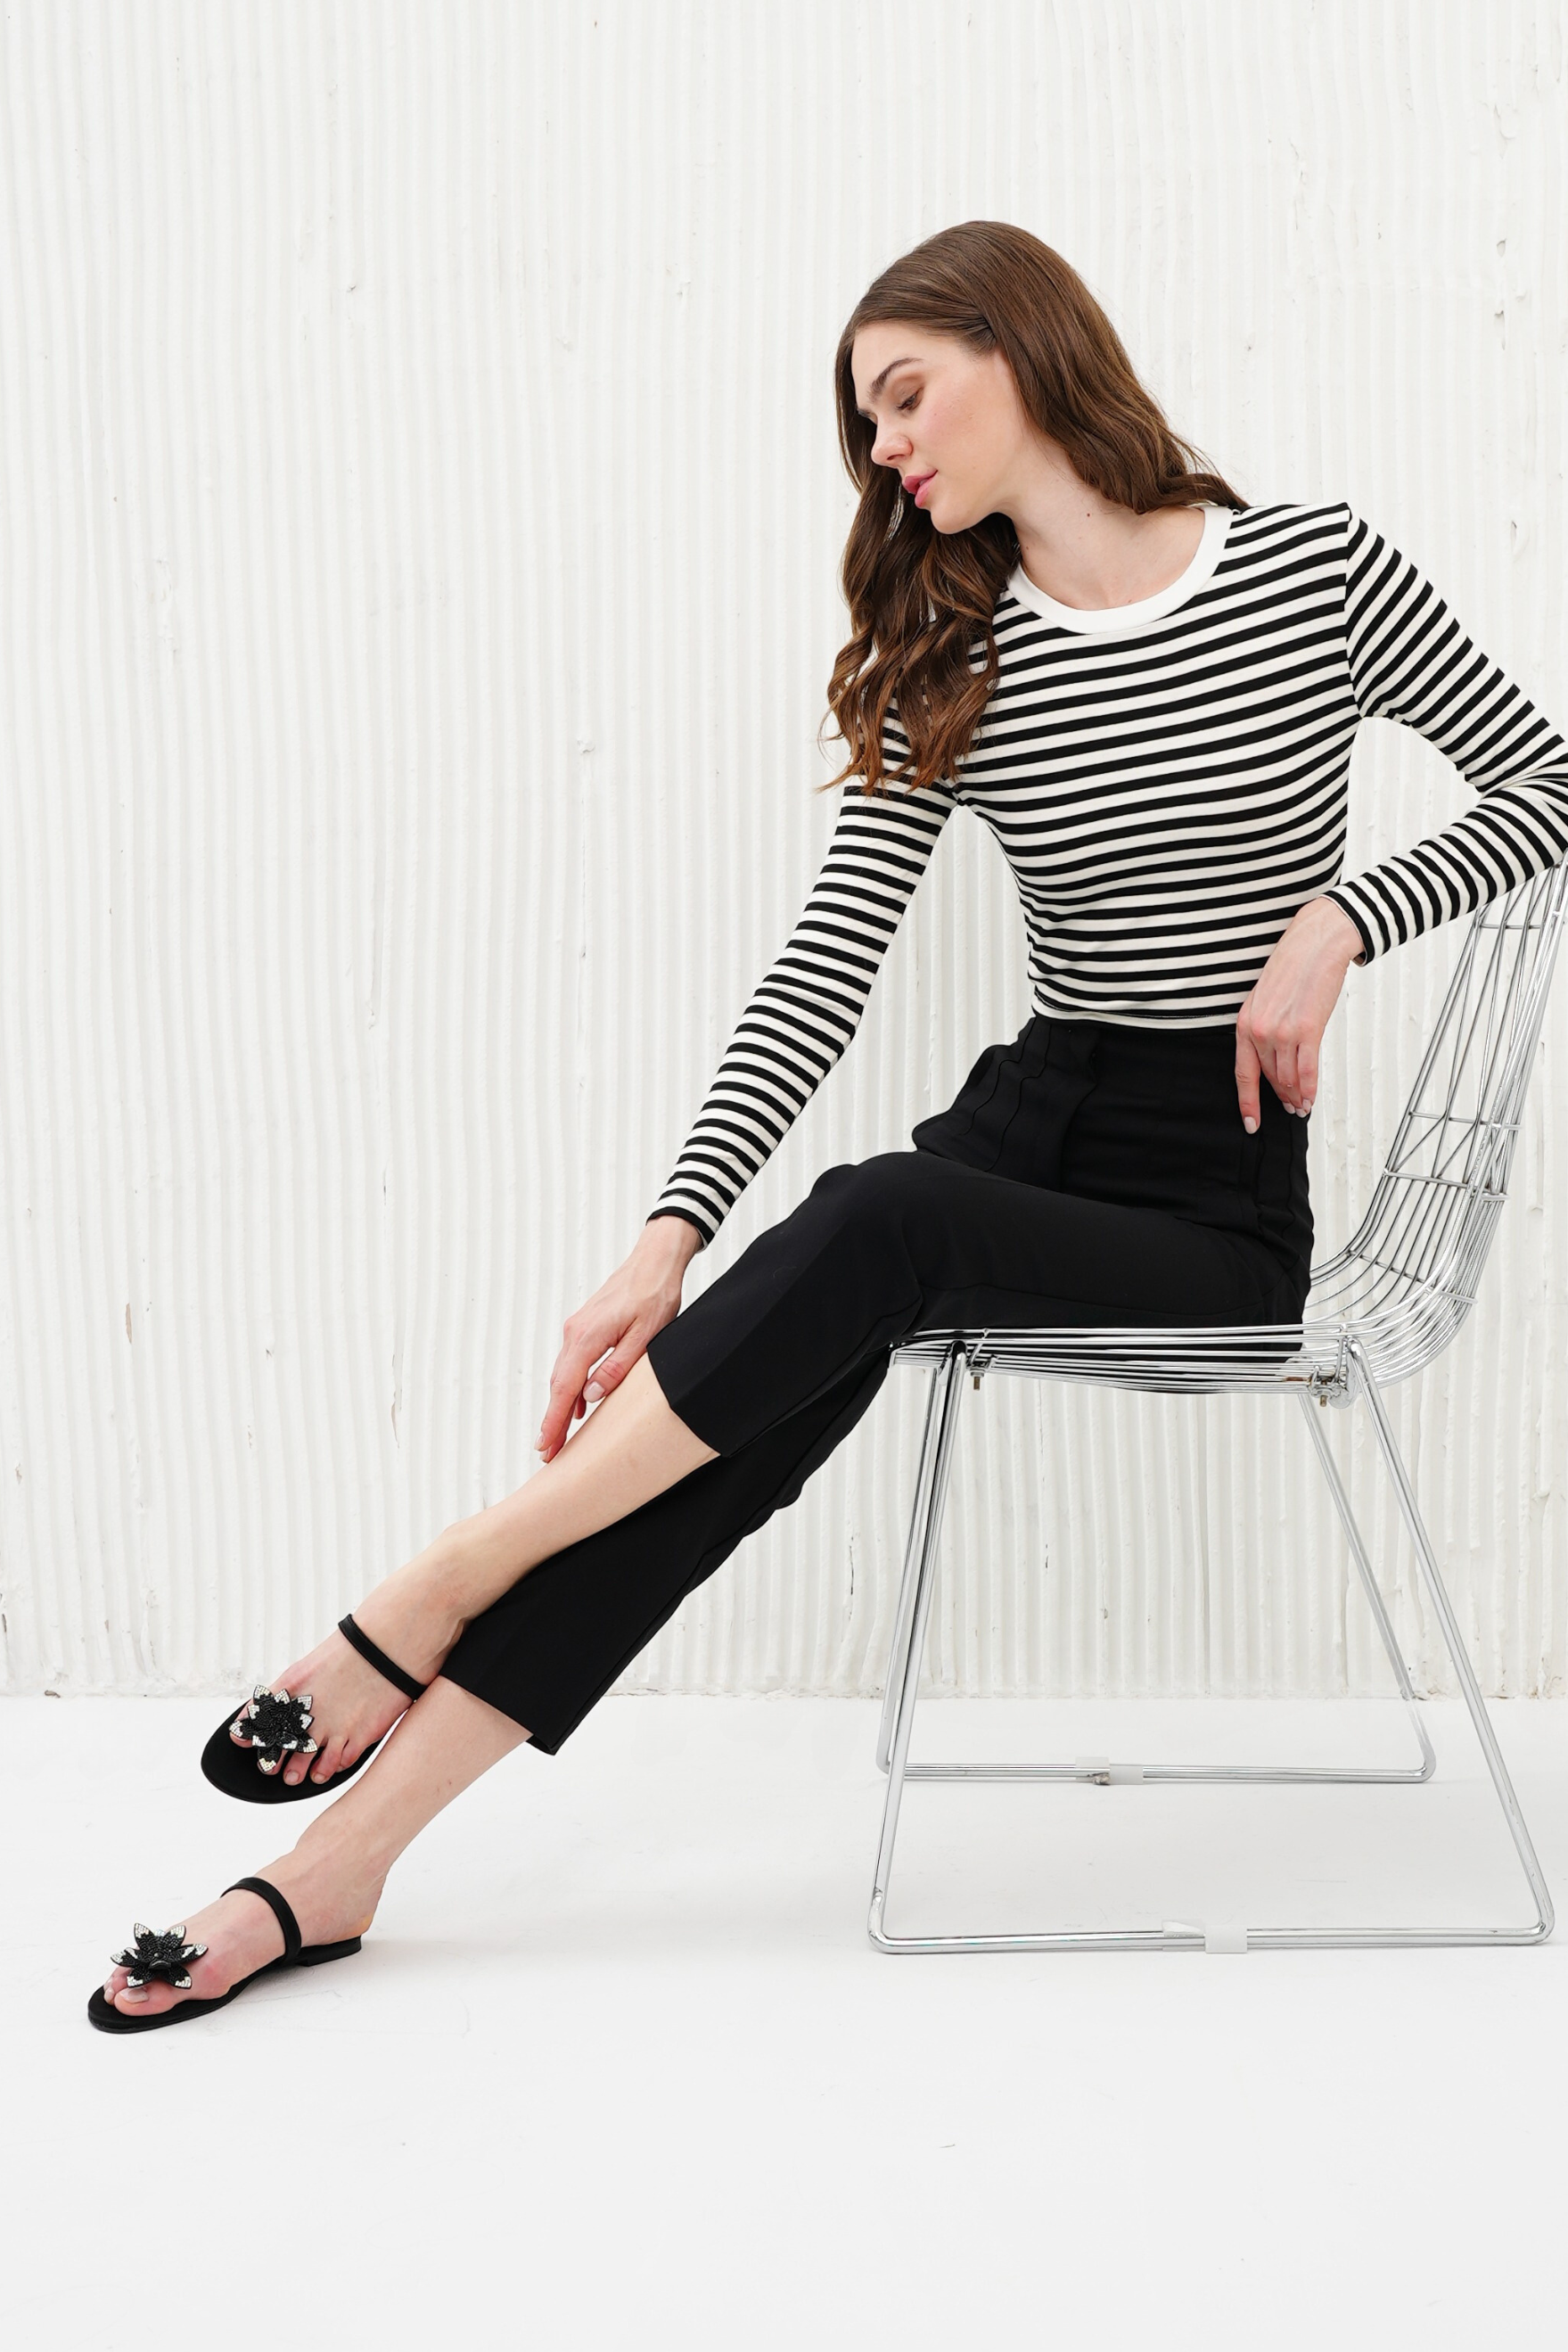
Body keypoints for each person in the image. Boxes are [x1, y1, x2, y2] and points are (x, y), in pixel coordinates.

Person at [93, 221, 1568, 2026]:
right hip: (1025, 1129)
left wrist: (1346, 917)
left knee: (878, 1220)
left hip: (1214, 1203)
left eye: (905, 395)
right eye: (866, 422)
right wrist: (667, 1237)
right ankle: (341, 1868)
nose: (885, 447)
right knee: (739, 1425)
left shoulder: (1314, 571)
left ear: (1021, 347)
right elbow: (824, 967)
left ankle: (447, 1575)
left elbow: (1552, 780)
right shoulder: (957, 649)